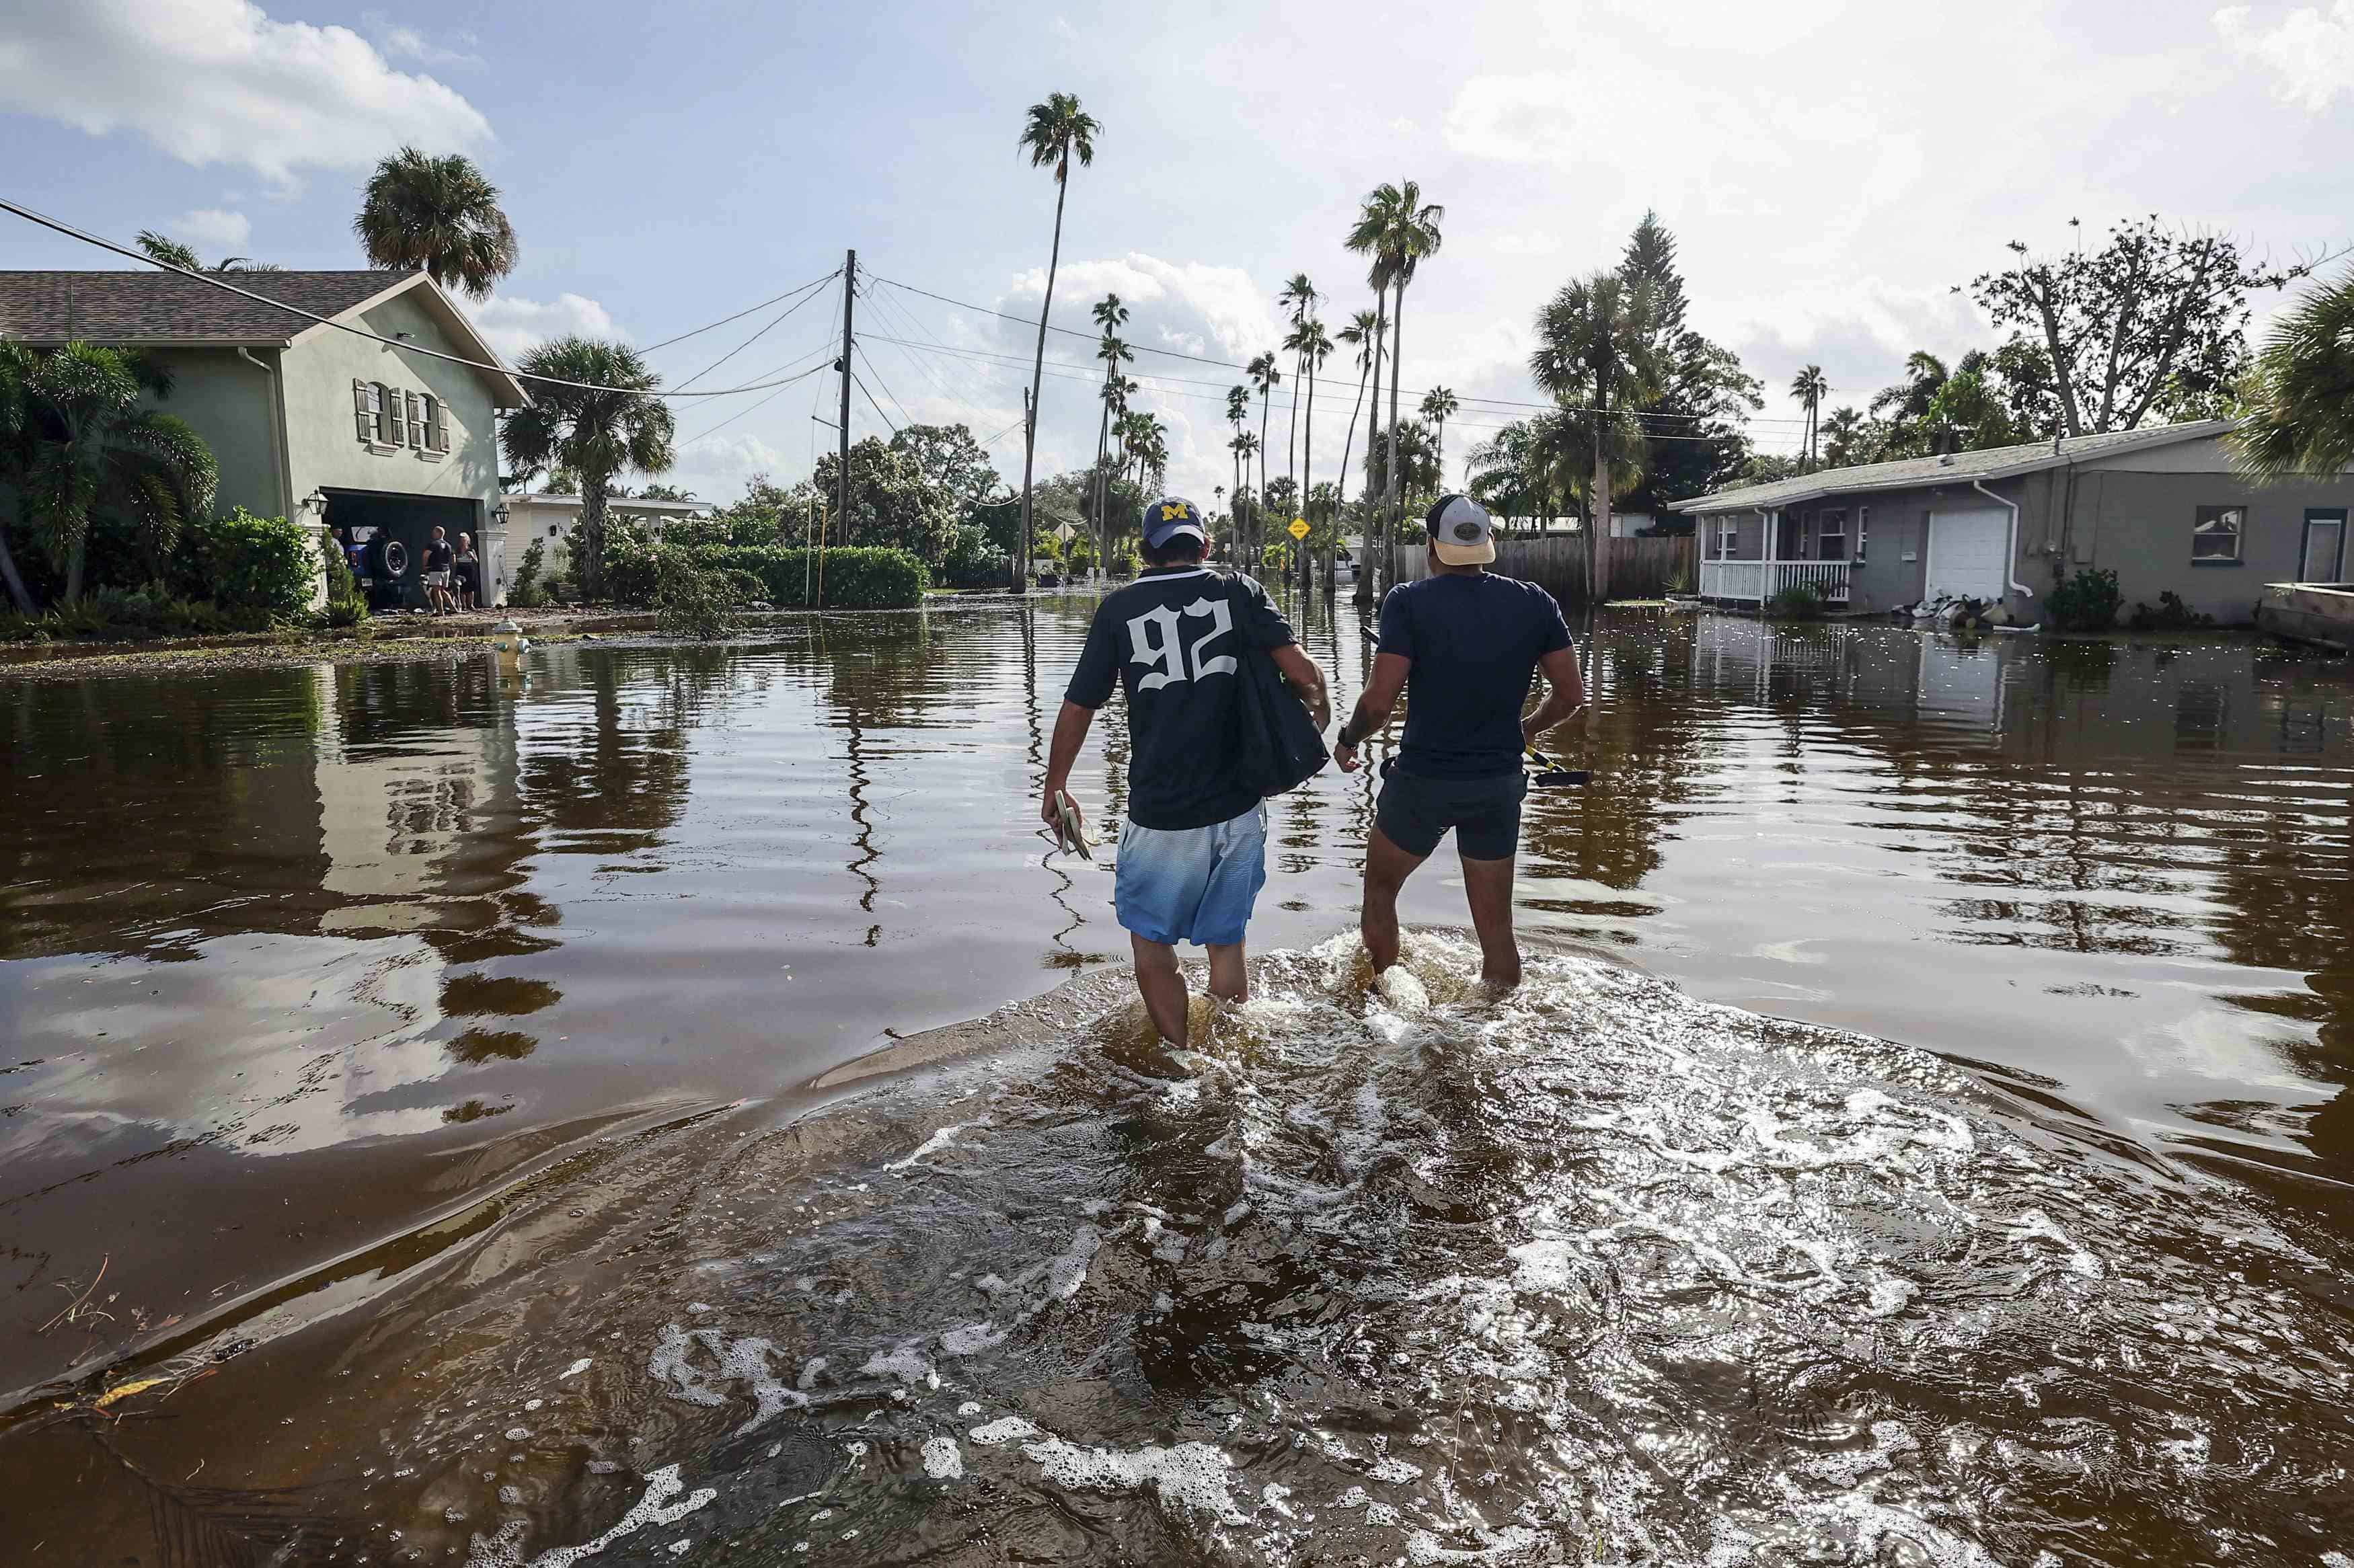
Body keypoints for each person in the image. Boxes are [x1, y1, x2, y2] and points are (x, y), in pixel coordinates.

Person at [1044, 496, 1332, 1048]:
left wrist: (1056, 785)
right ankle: (1228, 1057)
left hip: (1162, 811)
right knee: (1227, 943)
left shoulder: (1119, 609)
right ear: (1204, 545)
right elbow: (1302, 673)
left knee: (1153, 949)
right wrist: (1318, 710)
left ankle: (1181, 1061)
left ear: (1145, 551)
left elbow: (1080, 706)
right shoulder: (1238, 590)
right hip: (1239, 804)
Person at [1332, 494, 1586, 989]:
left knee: (1381, 891)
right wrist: (1528, 728)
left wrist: (1348, 739)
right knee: (1497, 934)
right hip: (1497, 785)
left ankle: (1384, 1005)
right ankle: (1498, 1020)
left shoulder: (1406, 602)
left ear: (1432, 546)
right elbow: (1572, 694)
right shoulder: (1535, 602)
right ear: (1488, 544)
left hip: (1423, 783)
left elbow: (1379, 703)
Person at [422, 525, 455, 614]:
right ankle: (453, 608)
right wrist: (449, 565)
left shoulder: (433, 544)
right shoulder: (448, 545)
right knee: (443, 590)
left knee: (437, 591)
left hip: (436, 569)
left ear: (438, 533)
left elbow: (426, 555)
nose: (432, 534)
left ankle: (440, 611)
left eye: (434, 532)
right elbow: (453, 558)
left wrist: (425, 565)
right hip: (446, 570)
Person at [453, 532, 480, 612]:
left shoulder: (471, 550)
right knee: (462, 589)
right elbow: (454, 562)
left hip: (469, 570)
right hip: (460, 569)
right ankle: (463, 605)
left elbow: (476, 561)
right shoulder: (457, 550)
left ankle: (471, 605)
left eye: (464, 540)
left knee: (471, 588)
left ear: (467, 541)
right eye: (461, 540)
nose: (462, 542)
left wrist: (472, 556)